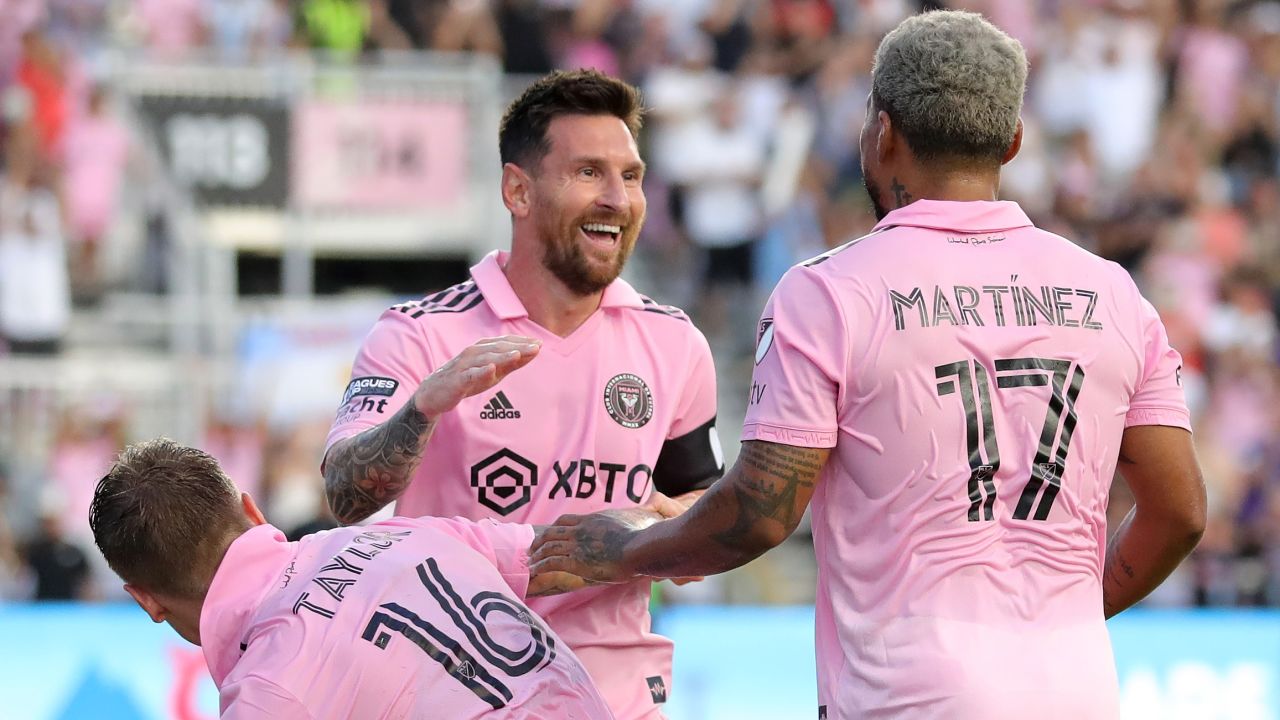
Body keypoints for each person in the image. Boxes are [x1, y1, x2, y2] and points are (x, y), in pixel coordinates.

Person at [529, 11, 1207, 720]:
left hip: (905, 697)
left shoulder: (829, 292)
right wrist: (1061, 616)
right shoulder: (1111, 293)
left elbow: (760, 515)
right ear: (1012, 140)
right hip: (1079, 693)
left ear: (883, 132)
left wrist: (628, 550)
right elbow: (1181, 512)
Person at [322, 69, 723, 719]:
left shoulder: (675, 344)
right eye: (589, 172)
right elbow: (344, 494)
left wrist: (669, 526)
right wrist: (422, 410)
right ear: (518, 190)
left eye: (631, 175)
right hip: (452, 689)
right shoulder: (421, 333)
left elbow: (704, 504)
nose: (618, 199)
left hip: (613, 698)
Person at [89, 438, 615, 719]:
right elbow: (583, 552)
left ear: (145, 601)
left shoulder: (267, 692)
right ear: (253, 512)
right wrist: (675, 520)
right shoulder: (397, 534)